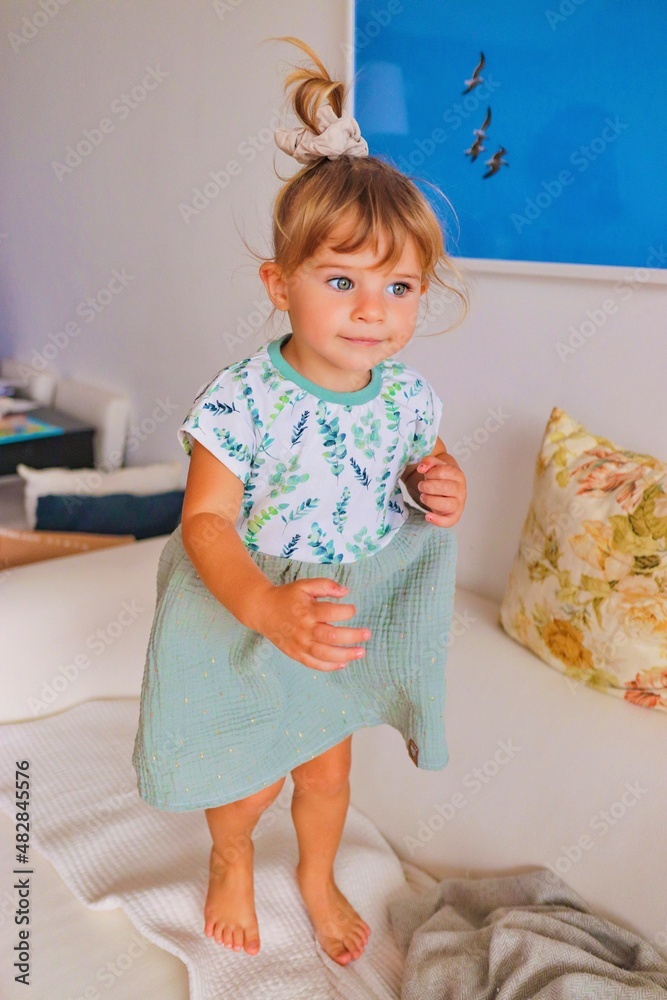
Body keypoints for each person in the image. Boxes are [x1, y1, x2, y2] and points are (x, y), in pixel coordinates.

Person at [132, 35, 469, 967]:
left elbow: (425, 460)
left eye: (398, 286)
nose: (372, 309)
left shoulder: (405, 395)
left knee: (326, 771)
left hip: (339, 606)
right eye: (341, 281)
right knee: (248, 777)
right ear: (279, 286)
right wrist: (263, 605)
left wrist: (441, 482)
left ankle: (316, 878)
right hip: (249, 603)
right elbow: (205, 521)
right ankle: (232, 851)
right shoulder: (242, 398)